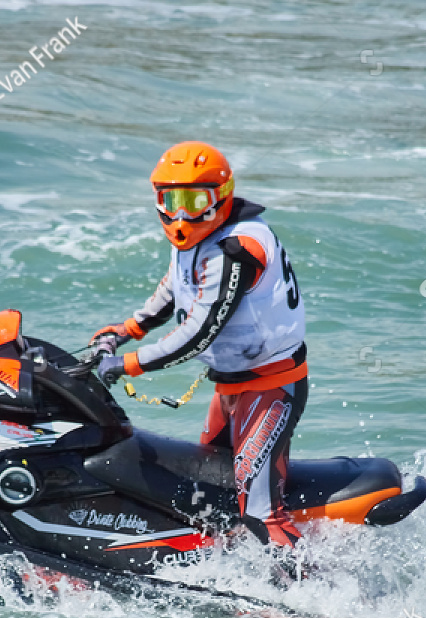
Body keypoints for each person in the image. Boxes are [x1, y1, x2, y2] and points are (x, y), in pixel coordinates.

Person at [91, 141, 309, 551]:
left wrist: (129, 364)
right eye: (170, 199)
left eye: (194, 200)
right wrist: (127, 329)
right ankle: (226, 574)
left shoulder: (237, 249)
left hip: (270, 388)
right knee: (210, 492)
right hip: (229, 388)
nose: (180, 214)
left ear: (221, 197)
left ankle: (317, 599)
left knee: (260, 511)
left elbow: (199, 332)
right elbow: (174, 289)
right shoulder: (195, 241)